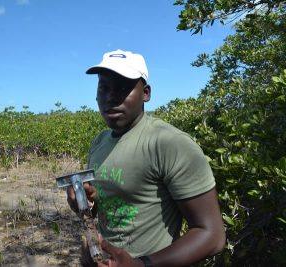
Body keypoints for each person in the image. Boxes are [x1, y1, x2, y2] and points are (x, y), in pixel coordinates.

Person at [67, 49, 226, 267]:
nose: (110, 97)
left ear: (146, 93)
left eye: (123, 88)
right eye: (104, 87)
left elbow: (212, 236)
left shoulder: (170, 143)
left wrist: (141, 265)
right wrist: (87, 202)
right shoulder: (100, 142)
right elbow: (114, 207)